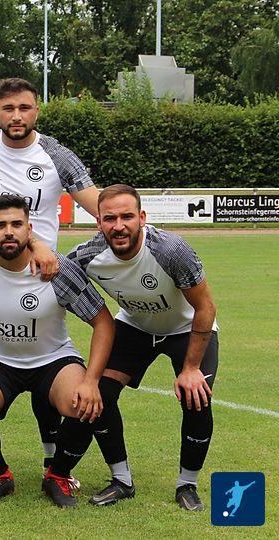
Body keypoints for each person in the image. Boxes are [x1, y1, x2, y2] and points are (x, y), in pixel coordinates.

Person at [0, 77, 100, 488]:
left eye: (24, 108)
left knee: (44, 361)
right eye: (8, 108)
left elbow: (97, 203)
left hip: (42, 275)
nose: (16, 116)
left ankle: (52, 459)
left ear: (36, 111)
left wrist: (40, 243)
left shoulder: (56, 156)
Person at [0, 194, 114, 508]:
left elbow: (103, 323)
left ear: (29, 229)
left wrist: (92, 381)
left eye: (17, 224)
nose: (9, 232)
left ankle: (58, 475)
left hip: (53, 358)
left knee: (85, 405)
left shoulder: (56, 269)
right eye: (0, 226)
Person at [67, 184, 218, 511]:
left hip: (185, 329)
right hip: (135, 327)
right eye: (110, 218)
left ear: (142, 218)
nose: (119, 226)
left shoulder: (170, 250)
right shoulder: (88, 255)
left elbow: (205, 307)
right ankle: (121, 480)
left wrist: (191, 368)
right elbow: (56, 271)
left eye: (127, 217)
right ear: (99, 222)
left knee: (196, 398)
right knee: (101, 395)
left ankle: (187, 485)